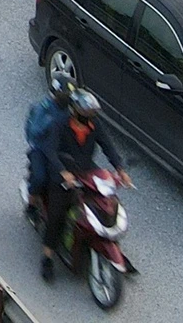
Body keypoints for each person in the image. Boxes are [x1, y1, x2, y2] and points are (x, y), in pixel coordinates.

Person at [42, 90, 129, 281]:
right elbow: (50, 150)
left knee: (106, 203)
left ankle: (107, 243)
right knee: (57, 214)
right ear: (75, 111)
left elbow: (108, 146)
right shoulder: (60, 124)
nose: (91, 117)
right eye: (87, 113)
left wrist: (120, 169)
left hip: (87, 171)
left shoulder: (94, 125)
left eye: (92, 114)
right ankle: (47, 257)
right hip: (64, 174)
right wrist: (63, 172)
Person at [24, 78, 75, 213]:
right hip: (41, 149)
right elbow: (35, 130)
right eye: (64, 95)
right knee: (40, 178)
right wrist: (51, 124)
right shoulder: (43, 108)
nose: (67, 98)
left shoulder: (68, 110)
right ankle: (32, 202)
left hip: (59, 148)